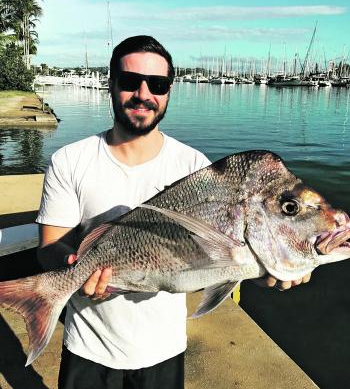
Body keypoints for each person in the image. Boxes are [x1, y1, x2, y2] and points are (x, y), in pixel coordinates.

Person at [36, 35, 311, 389]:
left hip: (163, 351)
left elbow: (221, 254)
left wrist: (263, 269)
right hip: (88, 349)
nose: (144, 94)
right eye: (130, 81)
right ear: (111, 84)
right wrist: (77, 269)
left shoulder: (195, 167)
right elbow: (48, 249)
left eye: (159, 84)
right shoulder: (69, 161)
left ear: (169, 91)